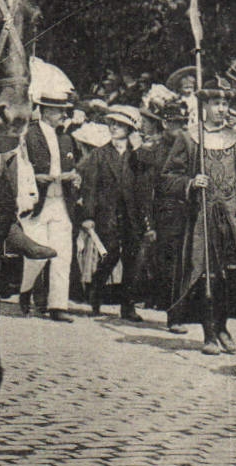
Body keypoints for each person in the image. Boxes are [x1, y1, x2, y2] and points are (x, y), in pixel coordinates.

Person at [166, 89, 236, 355]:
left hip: (232, 218)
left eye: (225, 104)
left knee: (234, 275)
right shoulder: (188, 137)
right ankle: (210, 334)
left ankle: (223, 326)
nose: (222, 109)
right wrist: (191, 182)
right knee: (206, 275)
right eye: (216, 103)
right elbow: (168, 176)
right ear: (204, 106)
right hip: (202, 218)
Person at [17, 90, 82, 321]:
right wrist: (36, 178)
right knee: (37, 254)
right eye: (57, 111)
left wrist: (74, 177)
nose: (62, 115)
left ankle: (58, 305)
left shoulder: (66, 138)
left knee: (62, 255)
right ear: (44, 111)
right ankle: (25, 292)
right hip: (37, 202)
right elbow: (20, 167)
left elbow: (74, 167)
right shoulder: (28, 135)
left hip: (61, 202)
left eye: (64, 111)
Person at [78, 105, 143, 320]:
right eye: (112, 124)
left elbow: (146, 180)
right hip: (107, 213)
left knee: (132, 259)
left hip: (132, 214)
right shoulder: (99, 154)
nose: (114, 127)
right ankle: (96, 292)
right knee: (111, 254)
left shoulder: (138, 155)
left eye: (120, 125)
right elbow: (89, 187)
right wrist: (88, 216)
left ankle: (128, 306)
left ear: (130, 129)